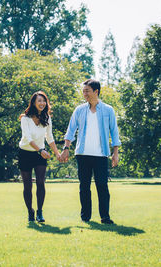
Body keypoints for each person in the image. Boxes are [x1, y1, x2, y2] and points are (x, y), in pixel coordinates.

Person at [60, 79, 121, 224]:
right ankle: (85, 217)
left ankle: (105, 217)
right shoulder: (79, 110)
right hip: (82, 155)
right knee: (84, 187)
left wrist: (115, 153)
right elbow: (70, 131)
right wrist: (66, 149)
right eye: (84, 91)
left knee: (102, 186)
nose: (84, 93)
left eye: (87, 91)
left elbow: (114, 132)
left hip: (101, 155)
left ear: (96, 91)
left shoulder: (108, 110)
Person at [18, 91, 61, 222]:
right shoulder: (25, 119)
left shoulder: (47, 118)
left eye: (44, 101)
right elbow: (28, 138)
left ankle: (40, 212)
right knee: (27, 185)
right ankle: (30, 211)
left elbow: (50, 138)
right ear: (33, 103)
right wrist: (41, 150)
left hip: (39, 155)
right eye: (39, 101)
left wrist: (57, 153)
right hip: (25, 153)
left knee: (41, 182)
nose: (42, 103)